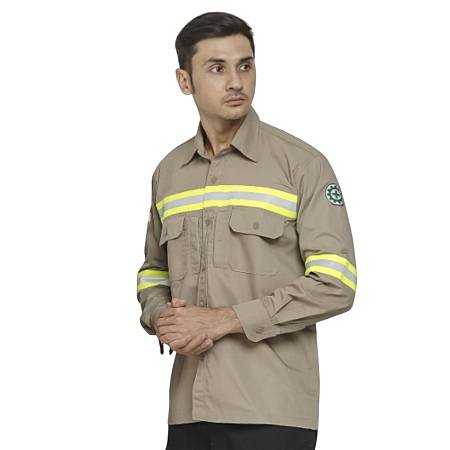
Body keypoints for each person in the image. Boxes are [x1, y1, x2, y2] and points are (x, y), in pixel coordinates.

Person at [136, 11, 357, 450]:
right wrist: (162, 317)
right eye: (217, 68)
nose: (236, 81)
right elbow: (153, 271)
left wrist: (225, 320)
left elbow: (336, 283)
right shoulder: (169, 173)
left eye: (245, 65)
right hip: (189, 408)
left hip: (272, 409)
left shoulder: (302, 165)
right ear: (185, 81)